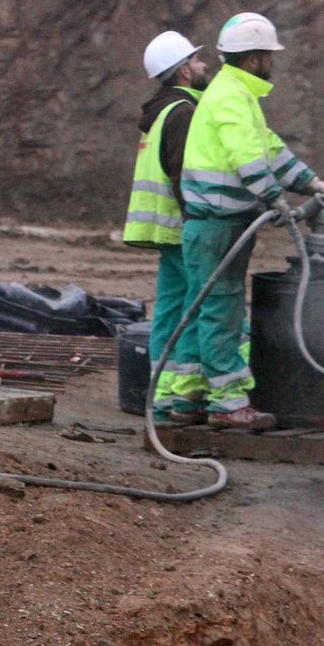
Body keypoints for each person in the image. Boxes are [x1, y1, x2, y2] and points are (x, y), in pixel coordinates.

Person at [175, 13, 324, 429]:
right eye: (268, 55)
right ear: (253, 59)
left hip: (215, 222)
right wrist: (274, 198)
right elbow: (246, 156)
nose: (272, 62)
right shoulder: (231, 96)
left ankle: (188, 398)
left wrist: (309, 182)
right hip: (217, 223)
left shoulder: (236, 94)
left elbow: (268, 147)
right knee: (220, 311)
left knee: (206, 307)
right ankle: (228, 404)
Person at [123, 30, 211, 424]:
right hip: (182, 229)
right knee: (198, 308)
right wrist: (202, 223)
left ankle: (160, 396)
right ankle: (184, 397)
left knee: (171, 310)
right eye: (197, 60)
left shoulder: (160, 112)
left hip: (164, 230)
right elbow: (183, 176)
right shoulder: (183, 113)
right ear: (185, 73)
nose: (205, 64)